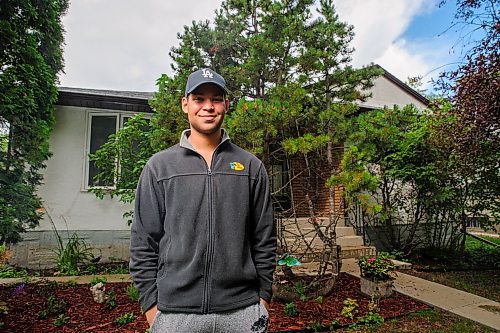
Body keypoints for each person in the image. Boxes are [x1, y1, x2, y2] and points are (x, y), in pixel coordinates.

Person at [129, 68, 277, 333]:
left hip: (242, 311)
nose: (208, 106)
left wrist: (262, 298)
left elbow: (264, 237)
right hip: (174, 314)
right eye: (199, 98)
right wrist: (151, 307)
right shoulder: (160, 168)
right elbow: (143, 240)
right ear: (185, 104)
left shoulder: (251, 167)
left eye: (216, 99)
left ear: (226, 105)